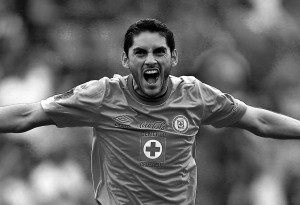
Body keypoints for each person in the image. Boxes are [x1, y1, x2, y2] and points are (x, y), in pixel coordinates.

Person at [1, 18, 300, 205]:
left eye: (159, 51)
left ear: (173, 57)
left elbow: (257, 119)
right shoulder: (102, 94)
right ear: (125, 59)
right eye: (140, 53)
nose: (150, 60)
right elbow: (27, 116)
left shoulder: (195, 94)